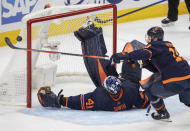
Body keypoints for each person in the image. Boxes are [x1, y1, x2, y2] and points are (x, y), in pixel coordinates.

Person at [110, 26, 190, 120]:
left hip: (174, 80)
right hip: (188, 77)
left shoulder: (154, 46)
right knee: (186, 100)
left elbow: (144, 53)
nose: (148, 39)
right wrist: (146, 64)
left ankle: (162, 113)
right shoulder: (168, 45)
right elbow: (161, 68)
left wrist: (125, 55)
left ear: (155, 38)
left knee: (149, 90)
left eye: (149, 37)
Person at [37, 75, 149, 111]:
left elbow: (80, 101)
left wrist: (61, 101)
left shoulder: (100, 97)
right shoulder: (130, 90)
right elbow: (144, 102)